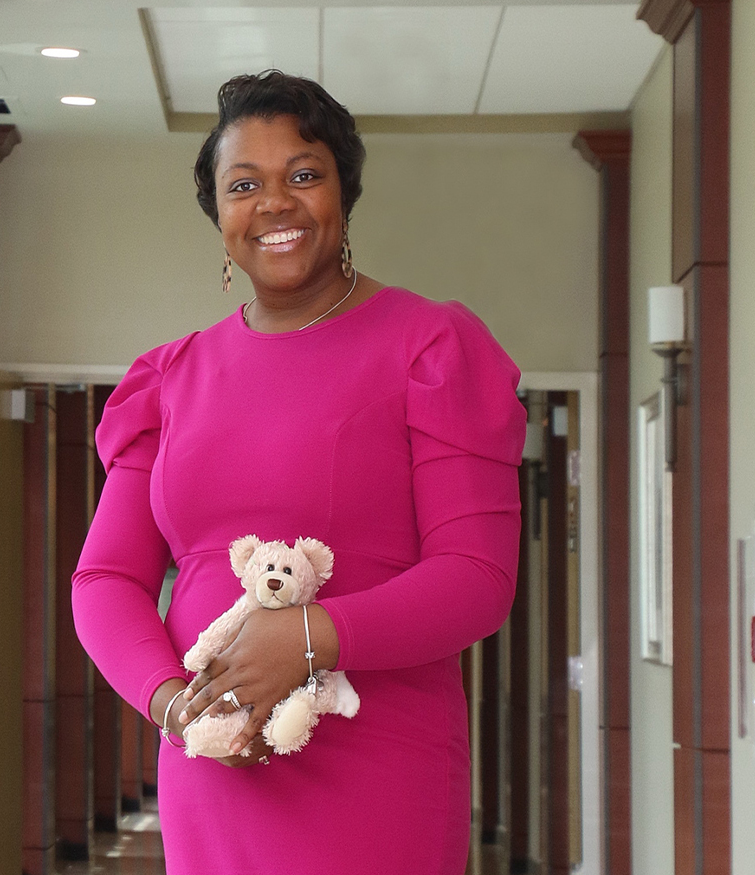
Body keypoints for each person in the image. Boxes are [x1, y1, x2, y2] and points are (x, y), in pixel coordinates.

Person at [72, 69, 526, 875]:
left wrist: (312, 636)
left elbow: (476, 576)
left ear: (343, 192)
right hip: (215, 766)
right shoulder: (168, 378)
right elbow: (104, 578)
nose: (274, 203)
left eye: (303, 174)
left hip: (380, 767)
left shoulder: (427, 346)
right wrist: (175, 706)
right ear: (218, 214)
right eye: (244, 185)